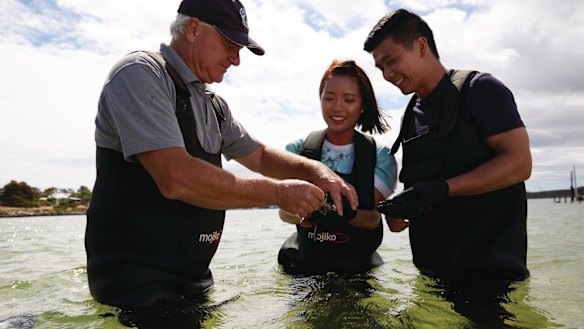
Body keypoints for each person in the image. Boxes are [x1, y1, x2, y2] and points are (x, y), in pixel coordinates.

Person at [85, 0, 357, 326]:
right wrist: (280, 194)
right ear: (193, 29)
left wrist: (318, 171)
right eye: (229, 44)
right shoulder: (140, 74)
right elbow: (176, 178)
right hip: (135, 287)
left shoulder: (214, 106)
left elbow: (259, 155)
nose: (237, 60)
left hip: (194, 282)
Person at [363, 8, 532, 326]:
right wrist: (403, 210)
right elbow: (424, 189)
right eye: (380, 67)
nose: (386, 74)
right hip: (432, 283)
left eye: (391, 61)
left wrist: (443, 189)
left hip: (489, 283)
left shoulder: (480, 89)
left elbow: (520, 163)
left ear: (421, 46)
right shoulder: (411, 114)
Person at [277, 59, 397, 275]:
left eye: (349, 99)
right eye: (329, 98)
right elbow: (284, 213)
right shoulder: (297, 150)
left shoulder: (380, 156)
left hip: (357, 270)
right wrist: (305, 214)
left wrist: (344, 214)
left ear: (363, 106)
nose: (337, 107)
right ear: (320, 100)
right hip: (305, 266)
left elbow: (371, 219)